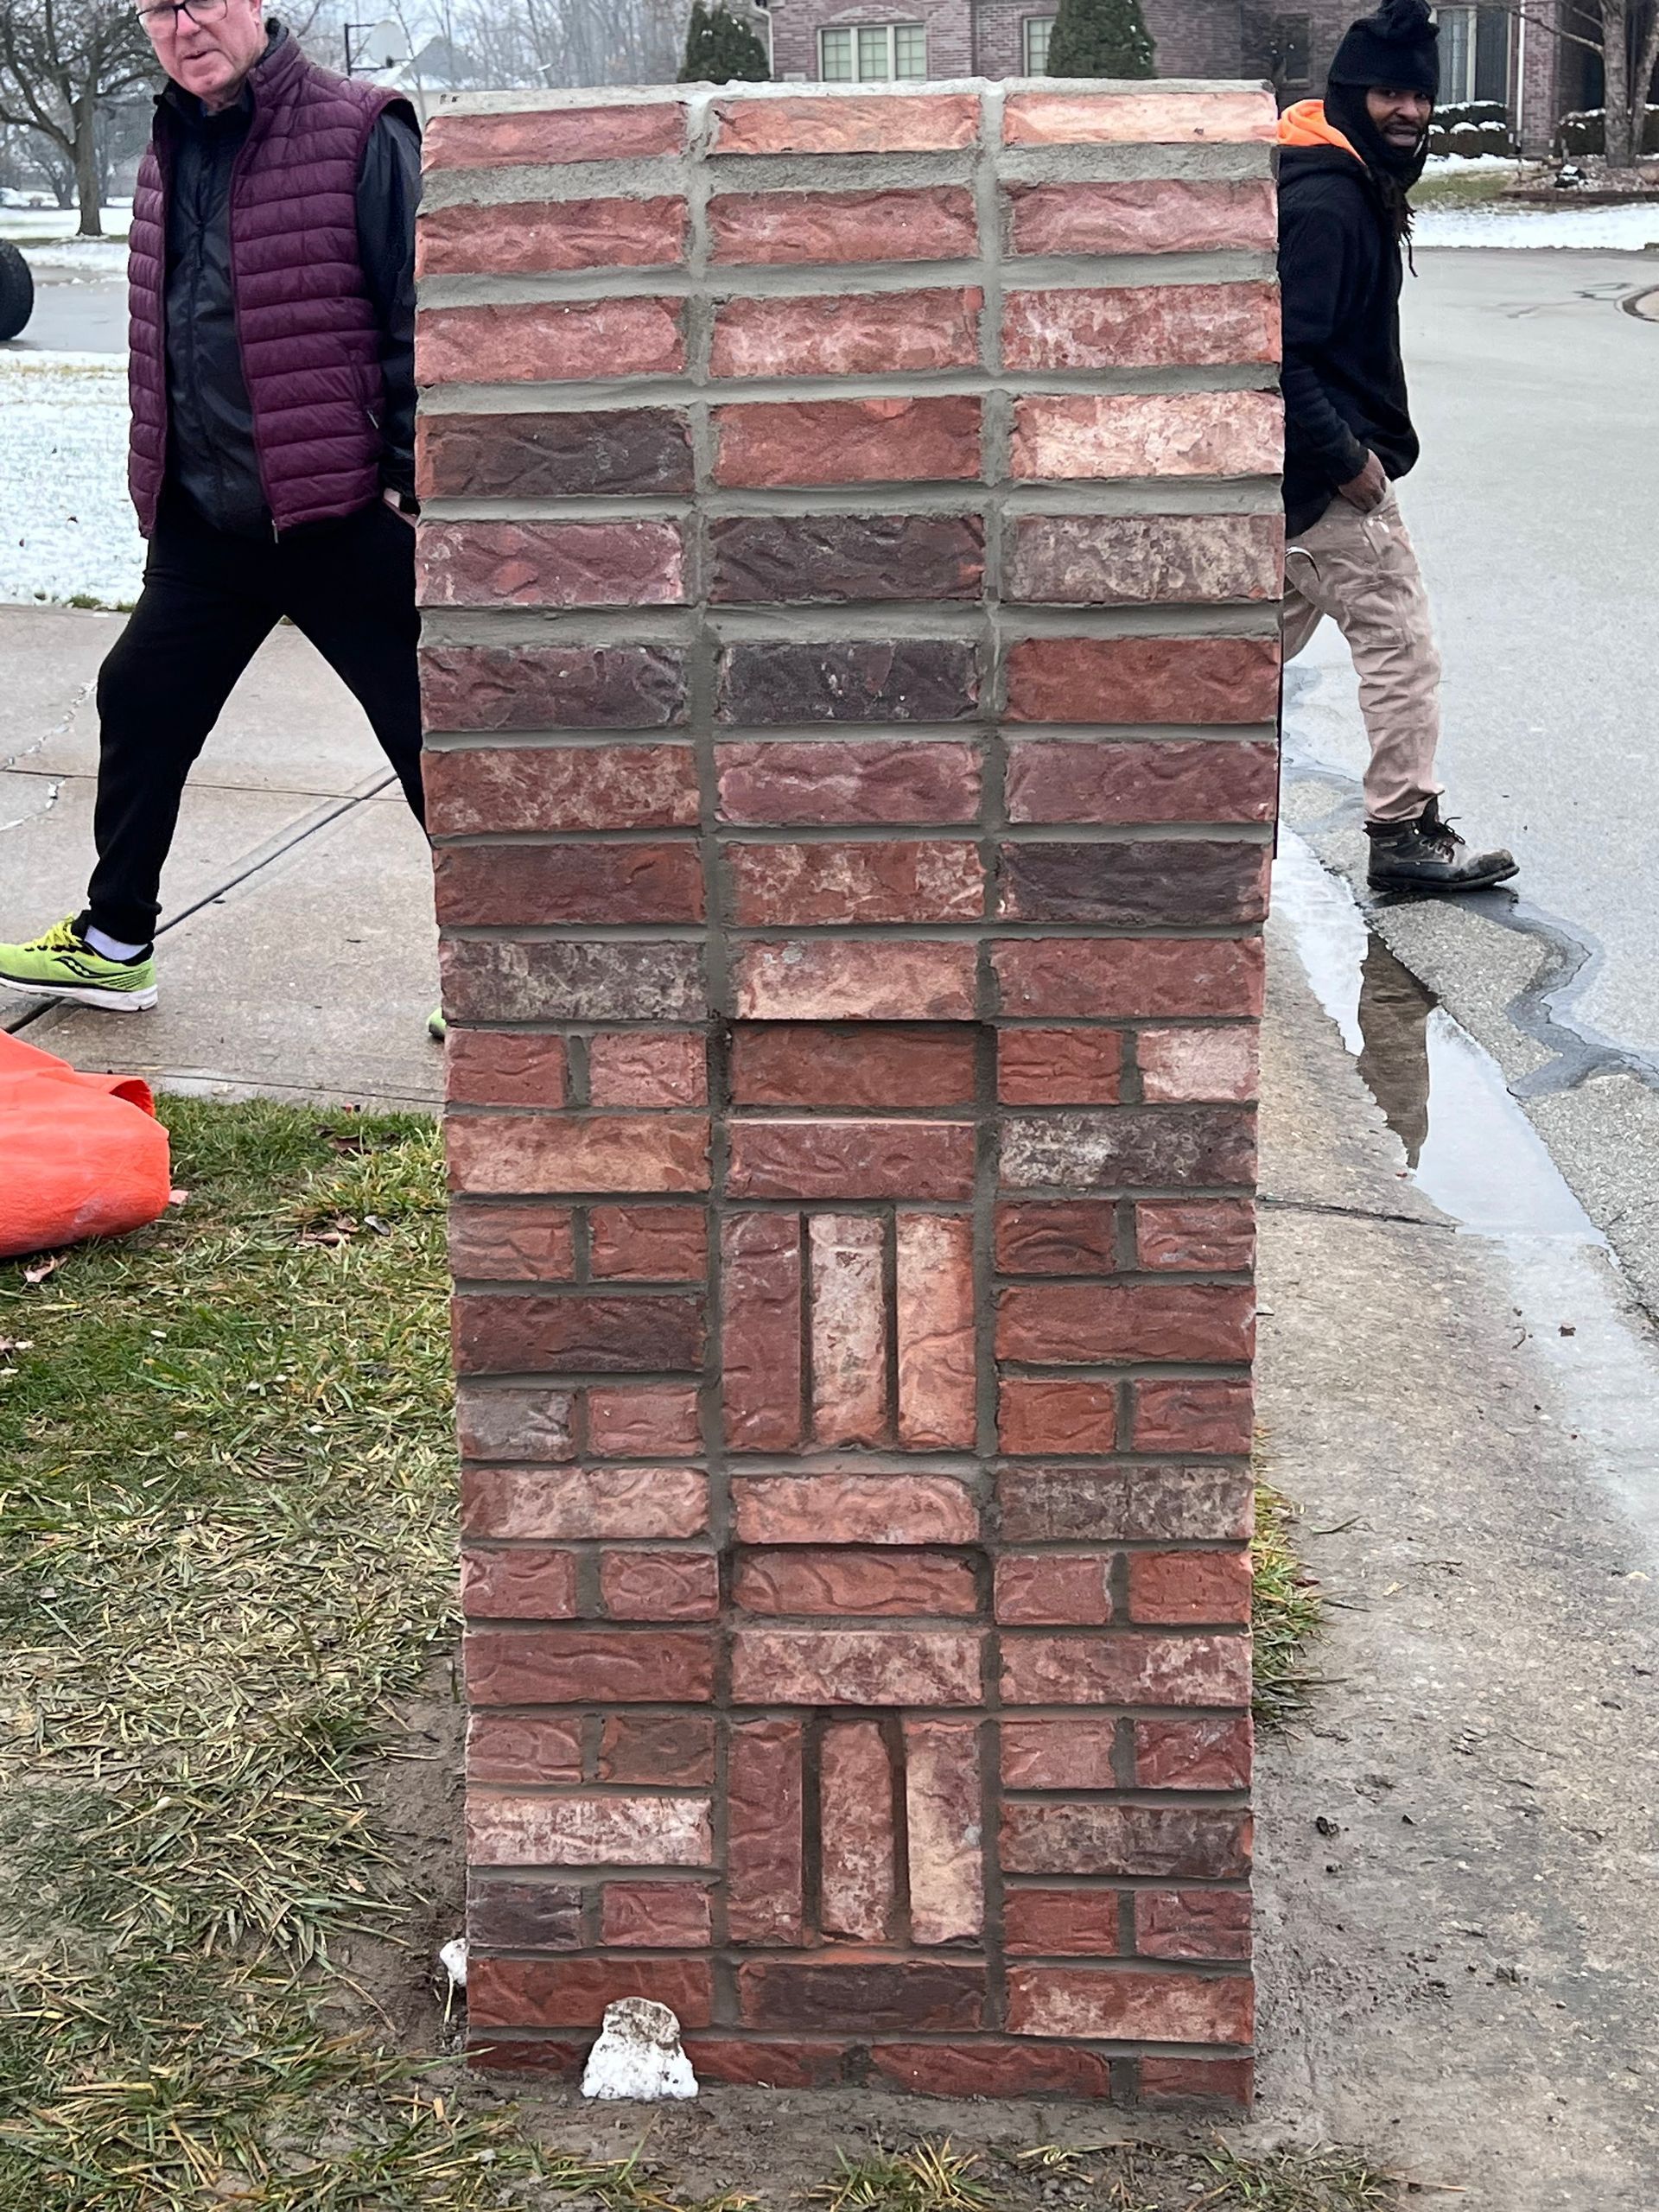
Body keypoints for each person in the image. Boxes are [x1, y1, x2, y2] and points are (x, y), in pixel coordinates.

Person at [0, 1, 433, 1019]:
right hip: (208, 522)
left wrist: (412, 481)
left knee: (432, 742)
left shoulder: (364, 128)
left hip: (342, 513)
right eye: (157, 7)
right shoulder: (163, 146)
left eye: (200, 0)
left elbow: (425, 311)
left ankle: (505, 968)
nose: (182, 25)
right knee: (141, 698)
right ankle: (115, 939)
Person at [1278, 0, 1516, 893]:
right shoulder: (1330, 204)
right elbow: (1285, 353)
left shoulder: (1343, 175)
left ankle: (1192, 814)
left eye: (1418, 94)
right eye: (1388, 92)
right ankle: (1403, 832)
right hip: (1331, 484)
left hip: (1295, 485)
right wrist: (1349, 462)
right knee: (1402, 648)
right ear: (1350, 94)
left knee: (1243, 659)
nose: (1408, 110)